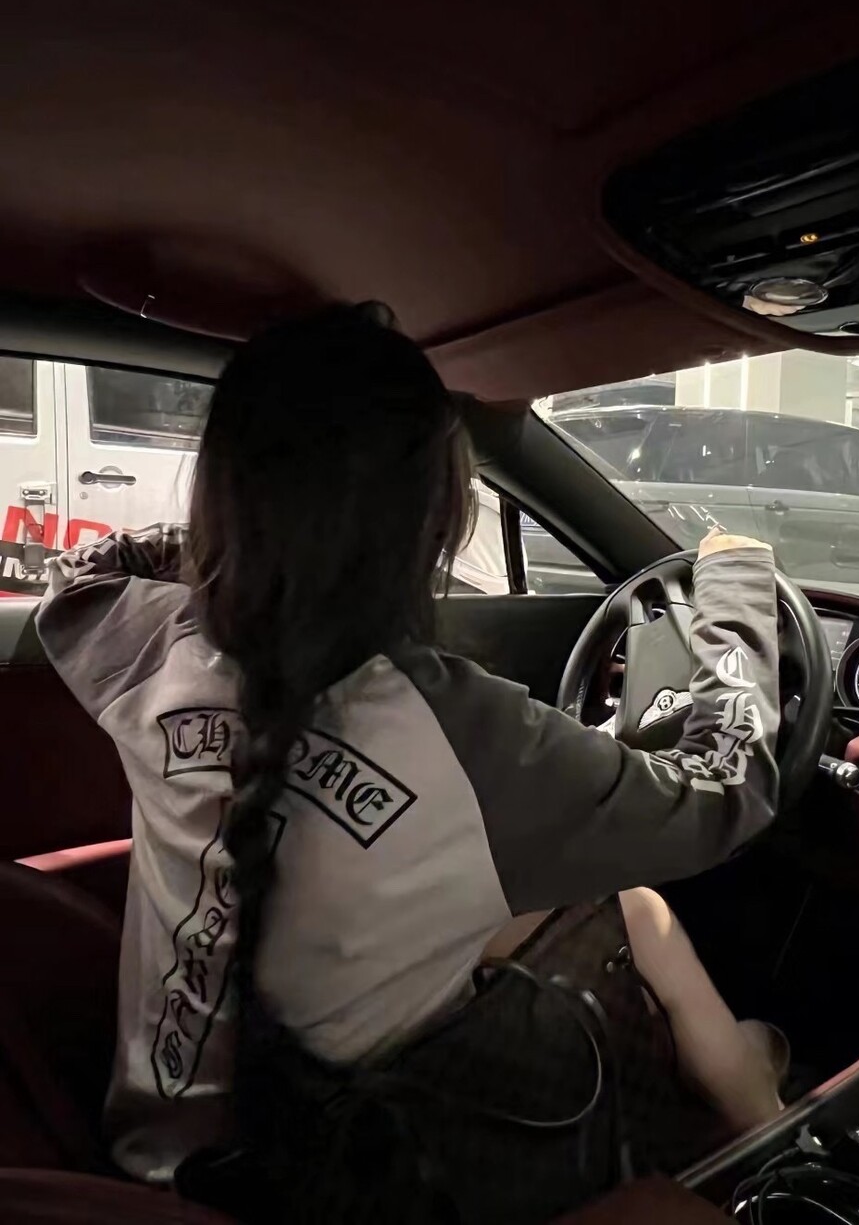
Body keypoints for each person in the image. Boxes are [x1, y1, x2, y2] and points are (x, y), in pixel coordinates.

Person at [36, 303, 785, 1219]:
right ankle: (760, 1116)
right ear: (434, 524)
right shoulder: (465, 732)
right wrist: (736, 584)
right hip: (331, 1187)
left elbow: (82, 573)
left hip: (154, 1164)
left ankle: (744, 1079)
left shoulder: (151, 640)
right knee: (634, 906)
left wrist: (258, 550)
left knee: (608, 900)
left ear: (222, 493)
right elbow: (725, 788)